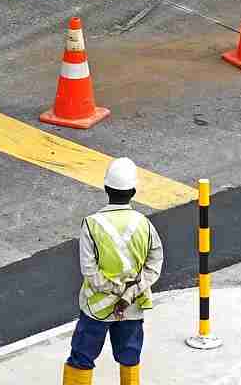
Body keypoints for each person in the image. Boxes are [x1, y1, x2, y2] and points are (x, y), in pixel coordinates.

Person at [62, 157, 163, 385]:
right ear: (134, 191)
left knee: (82, 357)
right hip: (132, 307)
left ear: (106, 188)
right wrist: (127, 295)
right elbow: (154, 265)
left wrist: (114, 290)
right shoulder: (144, 225)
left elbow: (89, 271)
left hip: (96, 307)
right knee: (129, 357)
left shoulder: (91, 224)